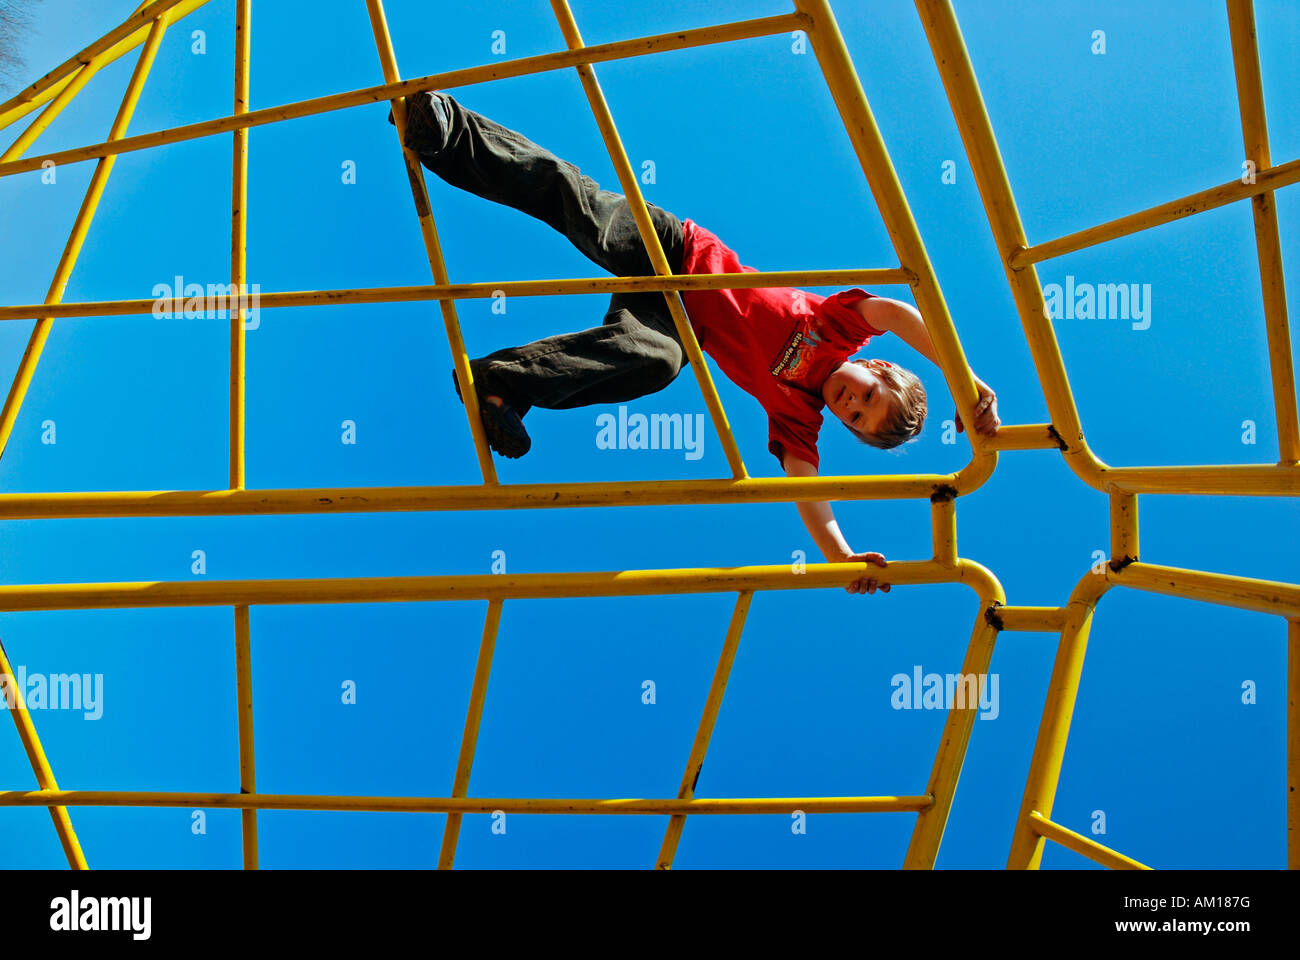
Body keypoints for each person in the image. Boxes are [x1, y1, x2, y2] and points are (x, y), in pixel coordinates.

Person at [389, 92, 1001, 595]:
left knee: (655, 362)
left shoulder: (797, 419)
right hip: (678, 250)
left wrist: (842, 557)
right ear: (872, 366)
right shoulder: (840, 326)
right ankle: (445, 128)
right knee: (579, 205)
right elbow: (897, 311)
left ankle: (503, 383)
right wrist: (963, 380)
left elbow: (809, 494)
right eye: (868, 394)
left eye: (858, 419)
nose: (851, 403)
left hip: (672, 318)